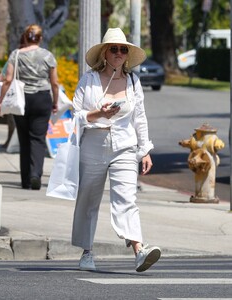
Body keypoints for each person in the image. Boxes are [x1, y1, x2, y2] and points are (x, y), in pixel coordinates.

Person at [71, 28, 161, 272]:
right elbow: (76, 114)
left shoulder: (133, 81)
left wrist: (145, 149)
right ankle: (87, 252)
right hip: (93, 144)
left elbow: (139, 117)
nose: (119, 53)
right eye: (114, 48)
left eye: (123, 49)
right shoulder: (89, 80)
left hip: (124, 146)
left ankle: (139, 251)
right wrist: (99, 113)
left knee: (127, 199)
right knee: (88, 200)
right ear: (105, 53)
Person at [0, 24, 59, 190]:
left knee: (24, 139)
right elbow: (54, 83)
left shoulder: (16, 55)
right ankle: (35, 174)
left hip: (22, 99)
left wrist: (1, 101)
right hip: (42, 99)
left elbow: (8, 79)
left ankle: (25, 180)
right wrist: (55, 102)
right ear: (40, 38)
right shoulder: (48, 56)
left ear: (25, 37)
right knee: (38, 139)